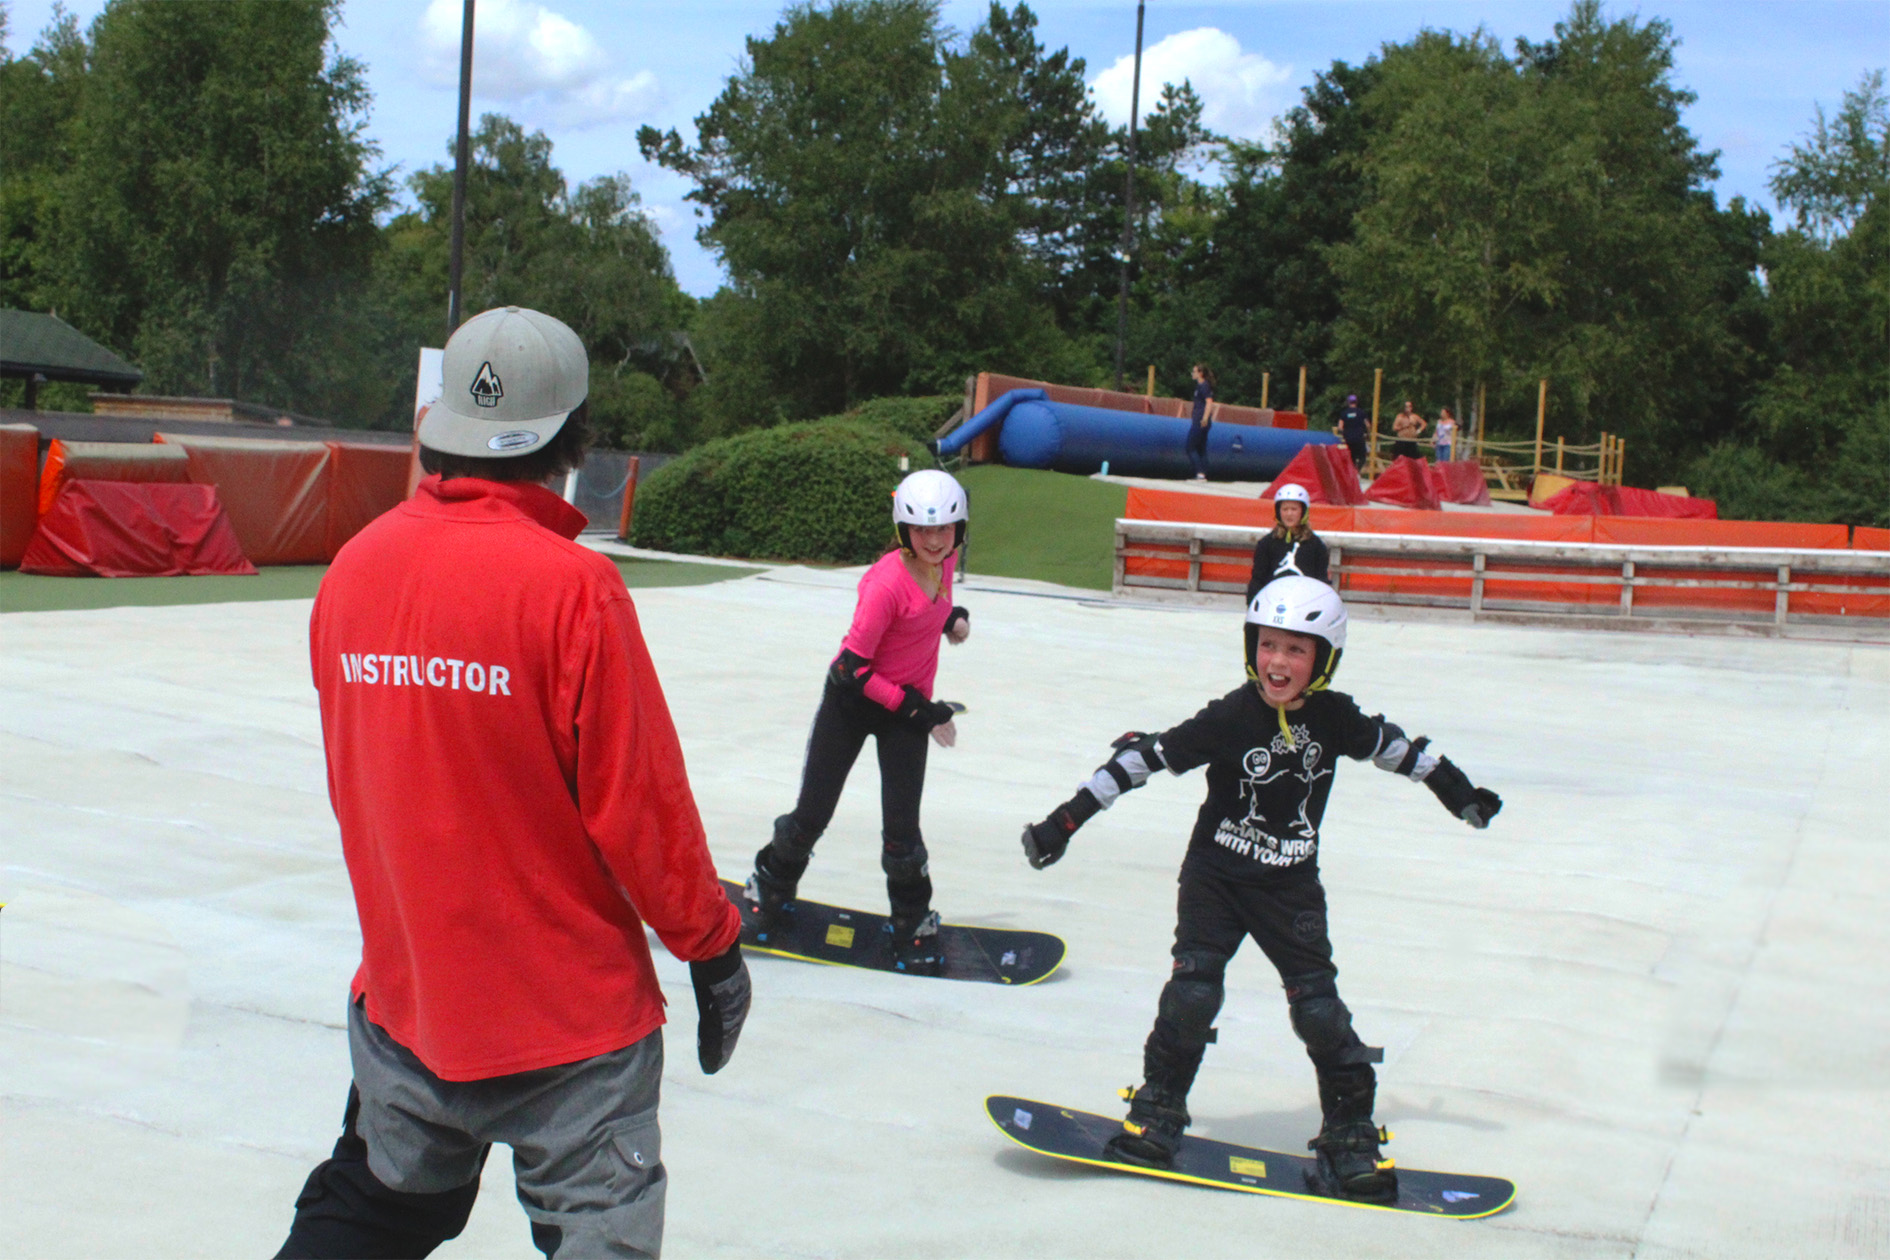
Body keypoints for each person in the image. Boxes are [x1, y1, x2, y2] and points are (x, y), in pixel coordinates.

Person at [277, 306, 750, 1260]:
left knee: (377, 1204)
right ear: (573, 436)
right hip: (571, 1031)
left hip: (412, 1001)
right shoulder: (574, 590)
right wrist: (711, 947)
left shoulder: (355, 569)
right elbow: (641, 809)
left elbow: (366, 781)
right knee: (598, 1235)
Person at [1019, 576, 1503, 1203]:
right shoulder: (1230, 715)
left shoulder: (1335, 718)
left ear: (1323, 660)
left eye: (1296, 650)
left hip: (1290, 887)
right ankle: (1158, 1109)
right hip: (1215, 879)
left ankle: (1350, 1136)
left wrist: (1459, 793)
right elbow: (1144, 759)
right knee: (1192, 993)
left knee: (1320, 1012)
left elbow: (1399, 751)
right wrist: (1065, 821)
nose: (1278, 661)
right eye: (1269, 644)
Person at [745, 469, 971, 975]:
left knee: (902, 833)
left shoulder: (945, 561)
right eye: (922, 530)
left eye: (943, 528)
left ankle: (911, 920)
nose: (935, 541)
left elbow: (930, 604)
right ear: (903, 531)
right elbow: (850, 670)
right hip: (852, 705)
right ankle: (771, 887)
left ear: (958, 529)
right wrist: (919, 710)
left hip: (904, 710)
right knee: (811, 816)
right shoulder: (885, 585)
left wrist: (951, 618)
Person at [1246, 483, 1330, 599]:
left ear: (1303, 512)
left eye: (1294, 509)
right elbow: (1258, 580)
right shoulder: (1267, 543)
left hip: (1303, 601)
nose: (1289, 514)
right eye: (1285, 509)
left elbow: (1321, 582)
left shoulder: (1316, 545)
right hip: (1273, 600)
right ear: (1278, 512)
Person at [1186, 364, 1216, 481]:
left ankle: (1200, 472)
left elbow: (1209, 402)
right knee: (1201, 448)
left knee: (1190, 447)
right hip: (1199, 419)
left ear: (1200, 373)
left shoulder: (1204, 386)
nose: (1192, 374)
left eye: (1194, 372)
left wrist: (1205, 418)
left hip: (1201, 420)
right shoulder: (1199, 387)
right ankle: (1204, 473)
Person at [1333, 394, 1367, 469]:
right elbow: (1367, 424)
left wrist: (1344, 433)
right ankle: (1357, 470)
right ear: (1356, 402)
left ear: (1348, 402)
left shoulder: (1344, 413)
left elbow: (1340, 427)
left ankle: (1352, 471)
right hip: (1359, 438)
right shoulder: (1361, 412)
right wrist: (1367, 432)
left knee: (1352, 457)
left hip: (1348, 438)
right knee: (1362, 457)